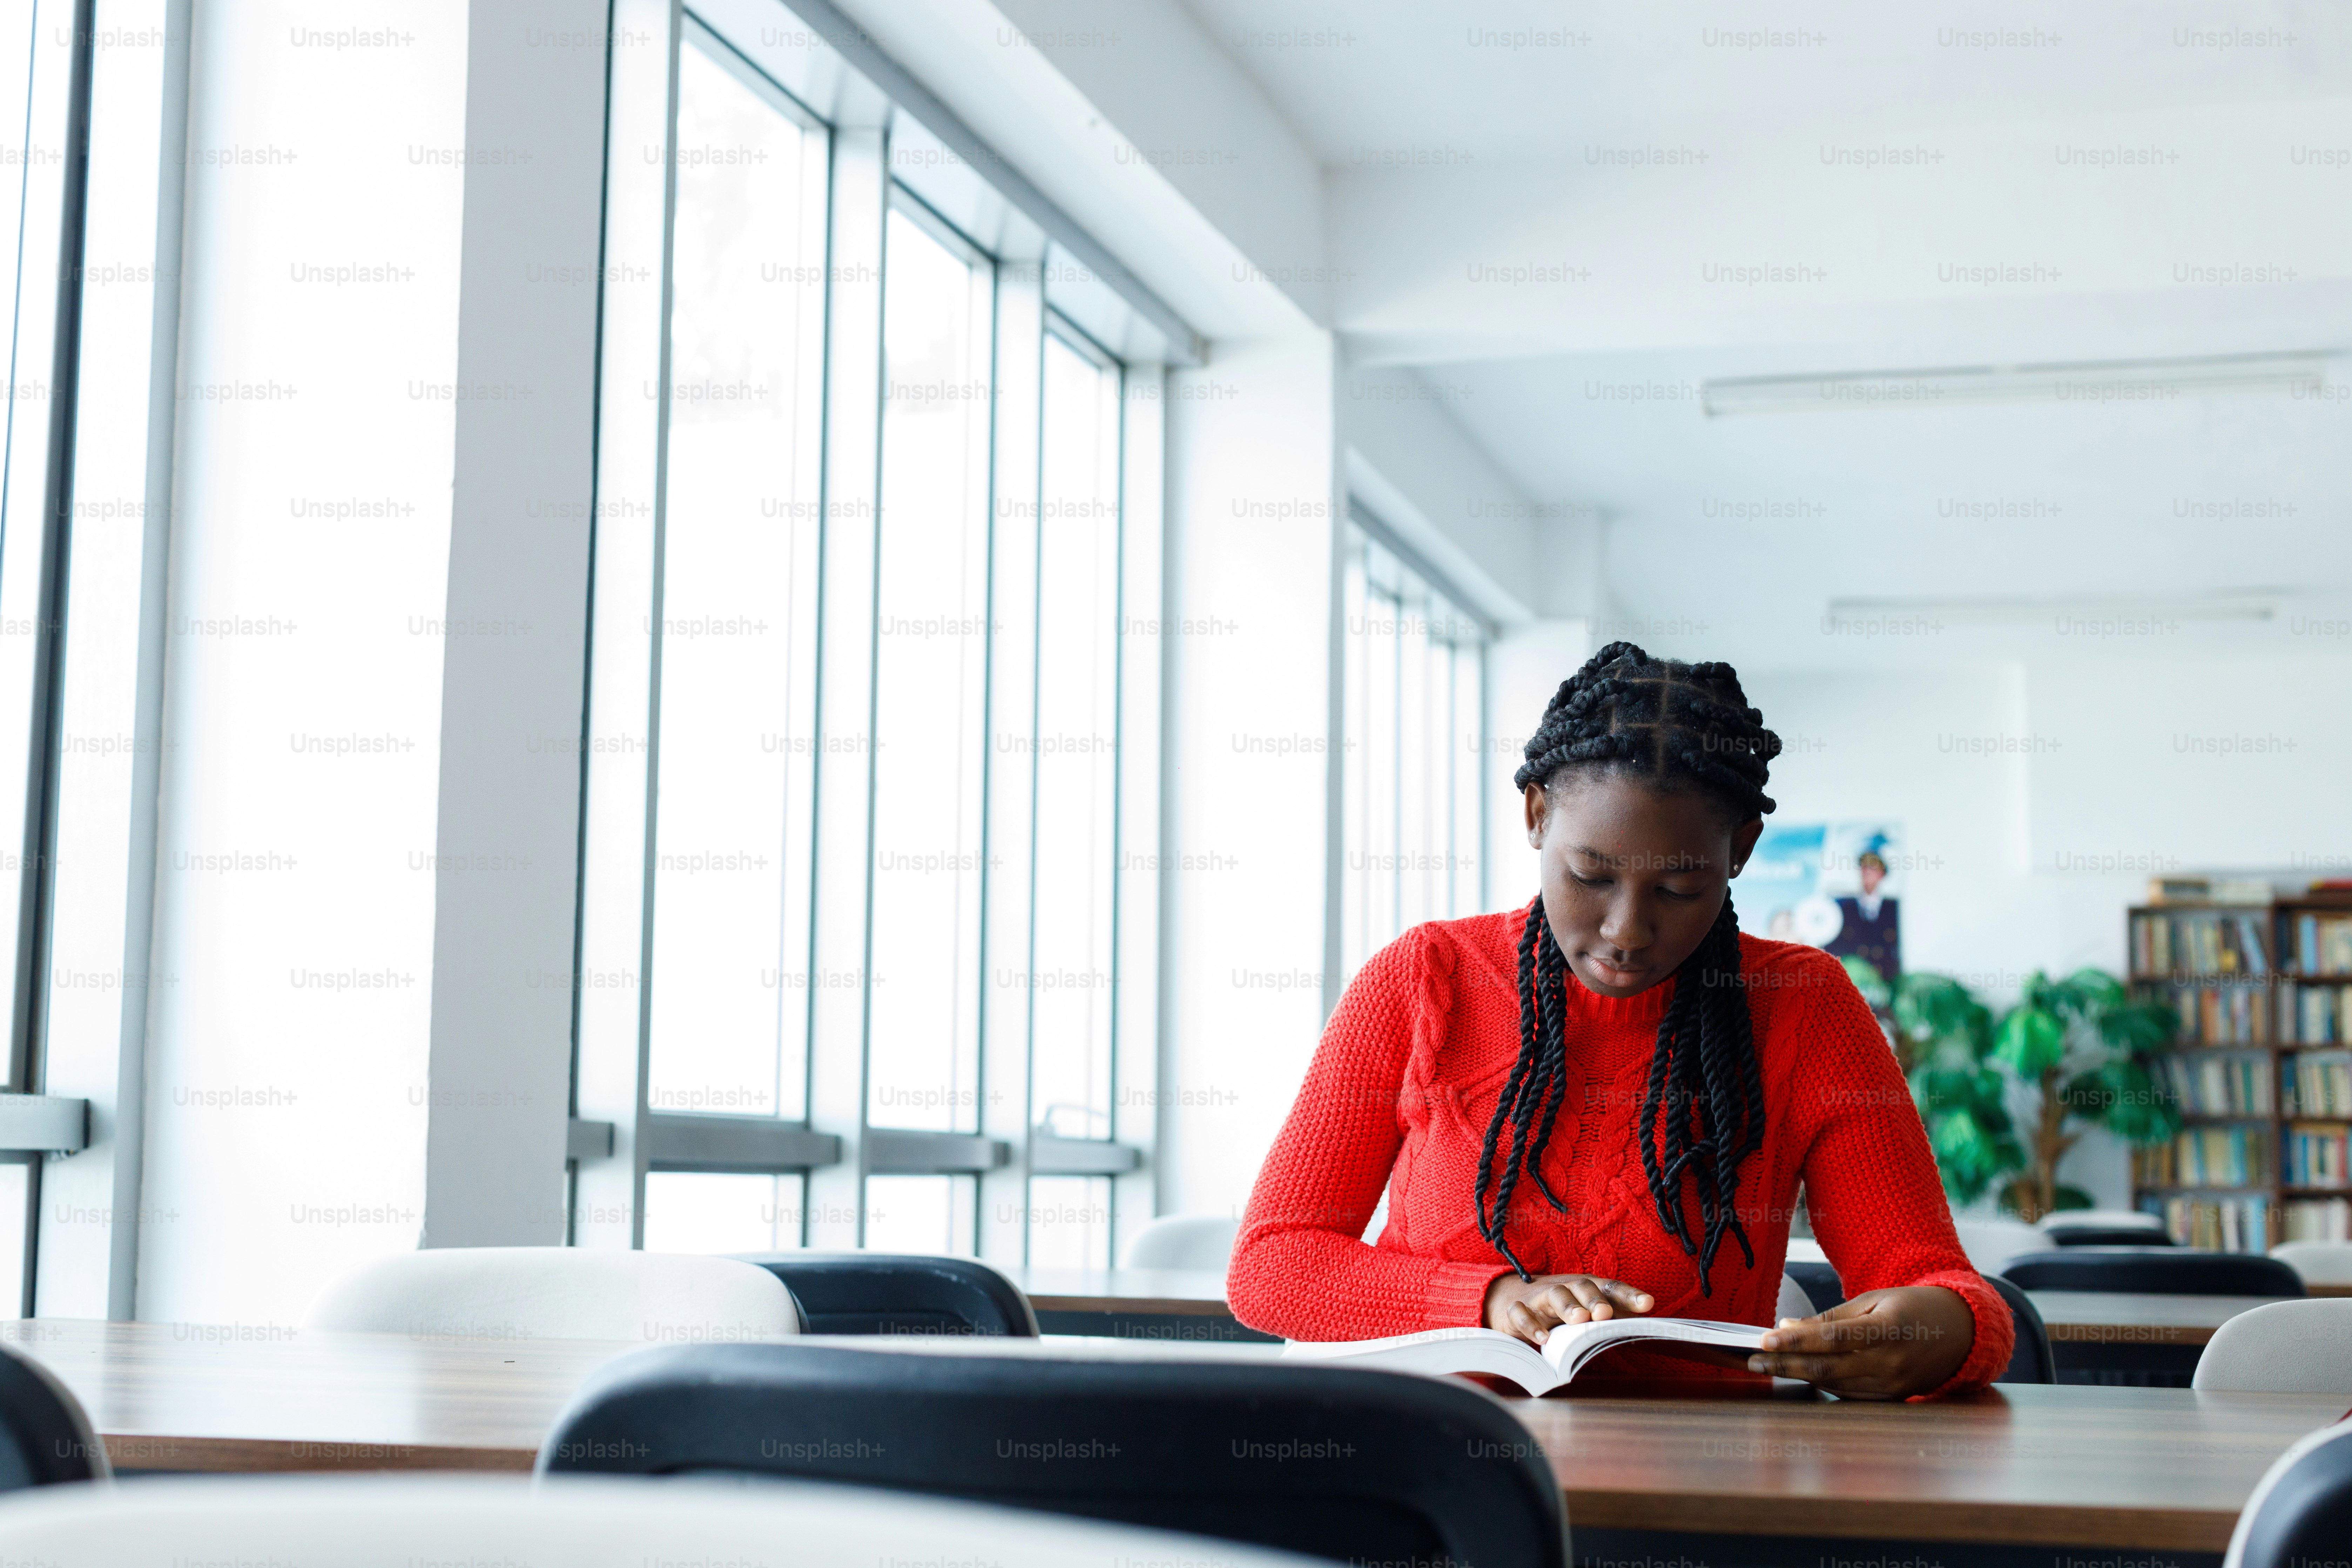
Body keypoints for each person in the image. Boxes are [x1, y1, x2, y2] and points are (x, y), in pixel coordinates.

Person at [1226, 644, 2011, 1398]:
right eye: (1589, 876)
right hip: (1434, 1463)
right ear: (1535, 814)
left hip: (1696, 1484)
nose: (1626, 931)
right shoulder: (1424, 978)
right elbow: (1271, 1266)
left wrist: (1935, 1332)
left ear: (1739, 850)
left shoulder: (1803, 1003)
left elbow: (1938, 1284)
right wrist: (1488, 1301)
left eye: (1678, 890)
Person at [1825, 841, 1900, 979]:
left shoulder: (1894, 909)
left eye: (1872, 867)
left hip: (1883, 979)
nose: (1866, 871)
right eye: (1863, 866)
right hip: (1853, 977)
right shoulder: (1844, 908)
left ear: (1882, 873)